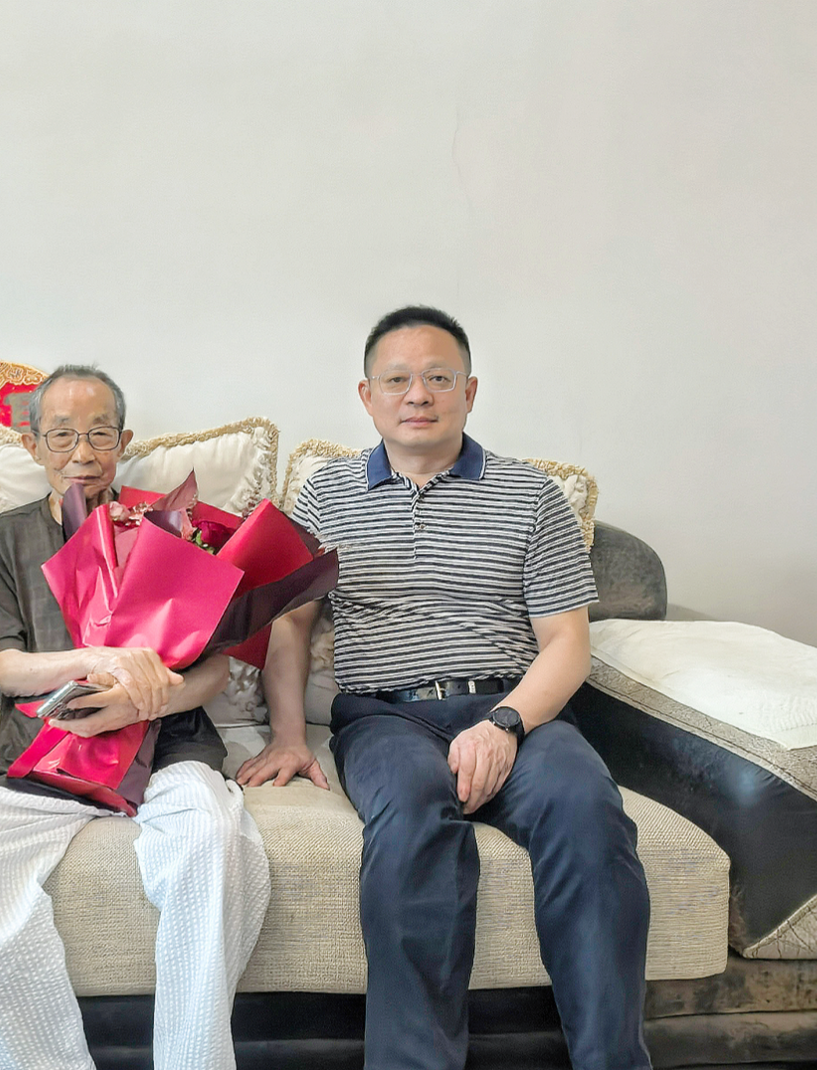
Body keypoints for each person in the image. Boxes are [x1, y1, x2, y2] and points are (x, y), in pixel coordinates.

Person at [240, 306, 651, 1070]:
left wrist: (505, 724)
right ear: (367, 396)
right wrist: (290, 735)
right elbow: (289, 629)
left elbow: (567, 643)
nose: (418, 394)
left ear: (469, 390)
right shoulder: (326, 497)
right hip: (383, 719)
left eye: (437, 377)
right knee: (410, 826)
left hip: (514, 709)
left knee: (588, 812)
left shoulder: (532, 496)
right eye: (398, 379)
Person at [0, 365, 272, 1070]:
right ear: (33, 445)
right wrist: (96, 659)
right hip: (47, 755)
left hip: (167, 750)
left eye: (100, 434)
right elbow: (7, 667)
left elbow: (212, 671)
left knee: (213, 840)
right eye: (62, 435)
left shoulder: (174, 529)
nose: (82, 452)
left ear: (124, 441)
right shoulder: (6, 538)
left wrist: (147, 699)